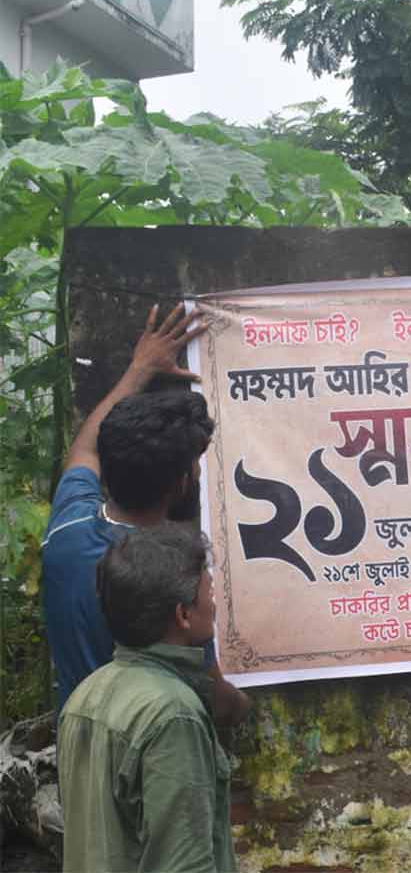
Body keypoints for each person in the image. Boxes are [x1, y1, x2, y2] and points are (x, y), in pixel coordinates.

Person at [42, 302, 249, 725]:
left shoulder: (70, 528)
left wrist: (139, 369)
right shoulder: (168, 578)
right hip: (148, 758)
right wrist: (246, 707)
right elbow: (214, 697)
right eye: (194, 464)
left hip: (81, 750)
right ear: (180, 485)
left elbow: (85, 448)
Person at [58, 526, 237, 873]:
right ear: (183, 615)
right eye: (209, 591)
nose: (215, 604)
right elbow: (184, 862)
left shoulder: (84, 696)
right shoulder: (173, 715)